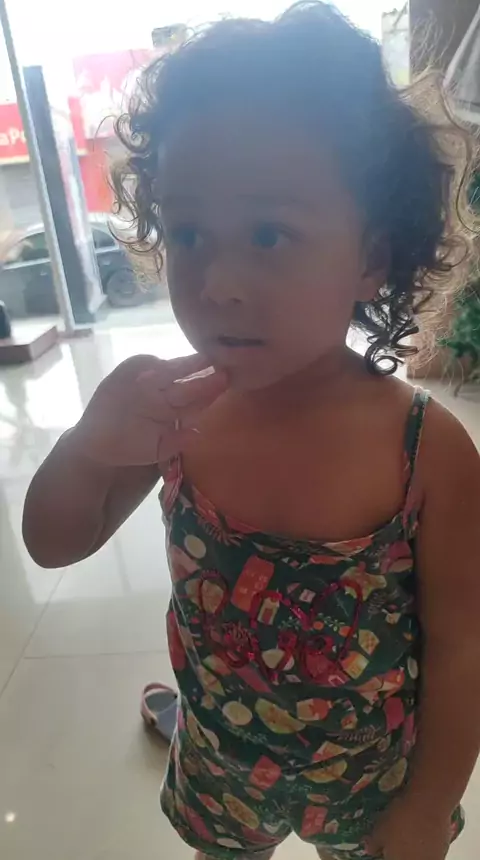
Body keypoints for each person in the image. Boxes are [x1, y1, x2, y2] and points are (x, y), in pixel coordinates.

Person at [23, 4, 480, 859]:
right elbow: (53, 545)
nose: (219, 282)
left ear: (372, 256)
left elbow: (464, 646)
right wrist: (89, 447)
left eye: (270, 234)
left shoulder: (427, 451)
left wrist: (428, 806)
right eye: (190, 232)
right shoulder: (172, 406)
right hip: (221, 763)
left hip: (374, 780)